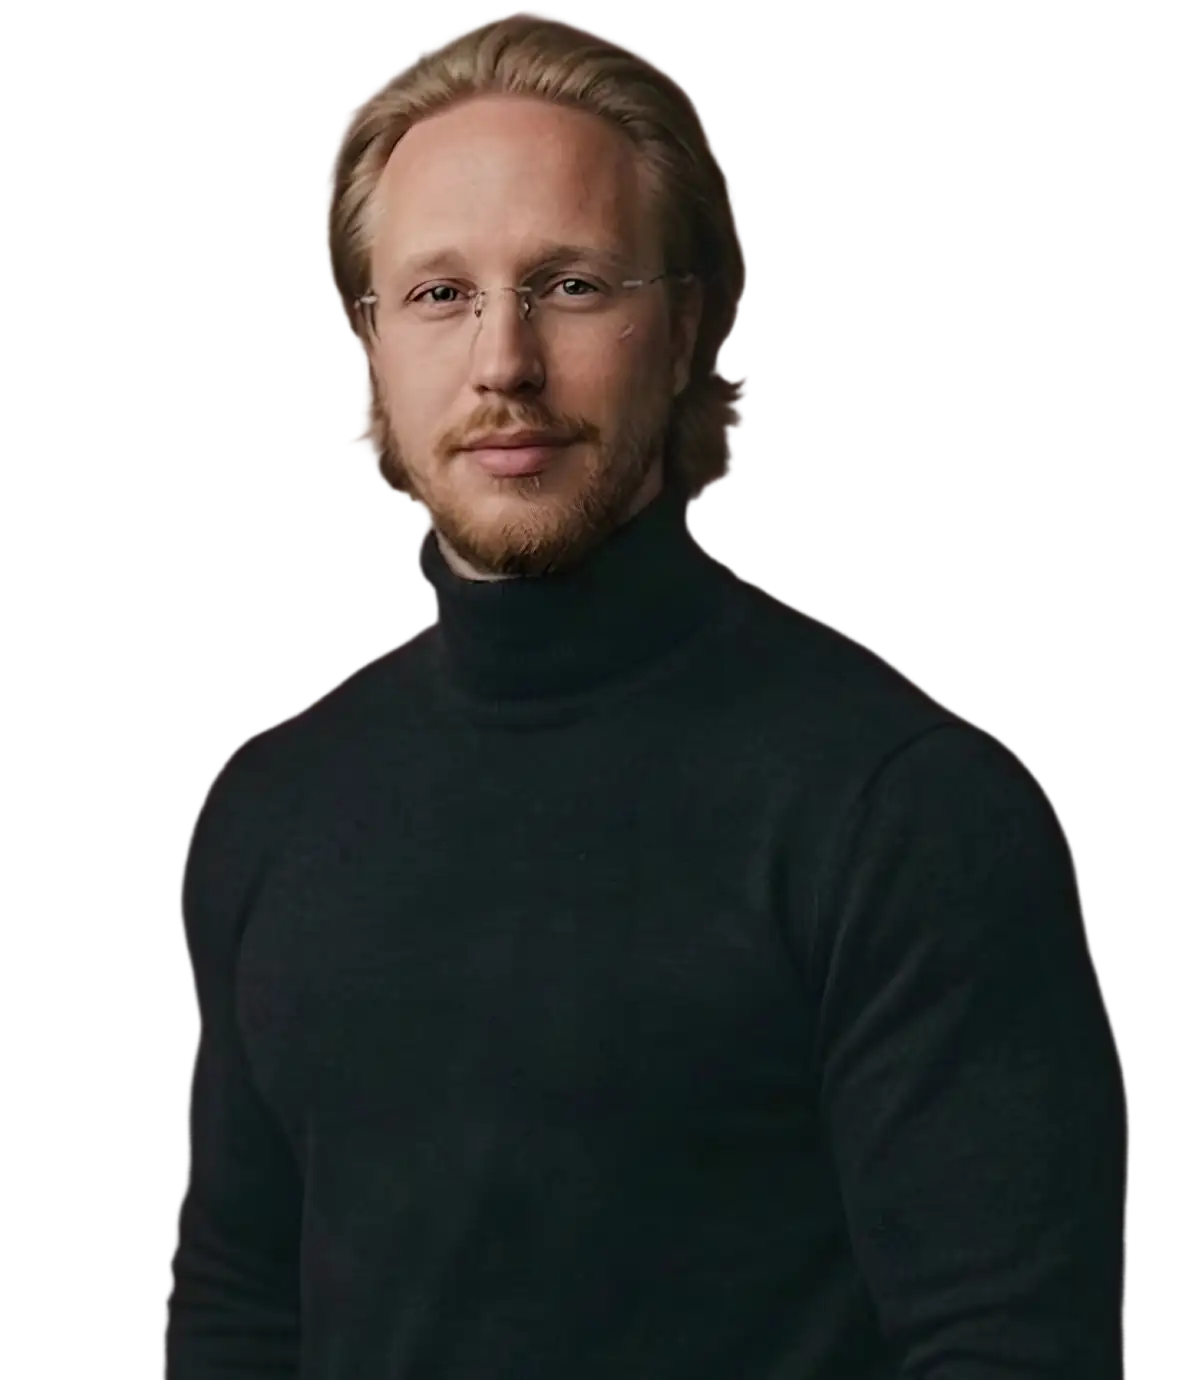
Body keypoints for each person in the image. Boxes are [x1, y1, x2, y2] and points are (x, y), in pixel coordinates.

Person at [163, 12, 1128, 1378]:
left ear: (682, 331)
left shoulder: (903, 813)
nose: (504, 362)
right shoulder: (270, 808)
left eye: (570, 284)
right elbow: (238, 1312)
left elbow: (1010, 1350)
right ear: (370, 349)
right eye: (440, 294)